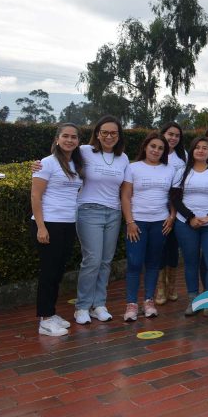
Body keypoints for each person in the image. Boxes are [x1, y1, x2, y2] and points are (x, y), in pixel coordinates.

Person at [74, 115, 129, 325]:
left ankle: (99, 304)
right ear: (97, 134)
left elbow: (126, 188)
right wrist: (38, 165)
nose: (109, 136)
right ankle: (82, 306)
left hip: (113, 212)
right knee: (92, 260)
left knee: (106, 261)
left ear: (119, 136)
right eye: (104, 132)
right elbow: (61, 158)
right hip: (89, 210)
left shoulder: (123, 158)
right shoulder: (85, 151)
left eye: (113, 133)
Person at [31, 124, 84, 336]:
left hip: (68, 223)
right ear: (57, 139)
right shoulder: (47, 163)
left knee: (58, 271)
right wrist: (41, 227)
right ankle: (44, 319)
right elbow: (35, 196)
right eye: (65, 136)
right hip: (48, 223)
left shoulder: (76, 163)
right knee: (49, 272)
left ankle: (51, 313)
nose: (69, 140)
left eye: (74, 137)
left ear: (78, 141)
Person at [120, 132, 176, 321]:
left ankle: (149, 301)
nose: (156, 150)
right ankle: (131, 304)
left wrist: (172, 216)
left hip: (160, 223)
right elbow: (125, 196)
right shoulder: (133, 168)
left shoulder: (169, 170)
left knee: (153, 263)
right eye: (153, 146)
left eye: (160, 148)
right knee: (135, 263)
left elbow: (173, 197)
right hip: (137, 223)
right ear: (145, 147)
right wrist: (130, 222)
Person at [171, 137, 208, 316]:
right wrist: (190, 218)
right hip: (186, 224)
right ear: (192, 150)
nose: (201, 150)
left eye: (205, 148)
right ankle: (193, 300)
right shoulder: (182, 171)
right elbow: (175, 198)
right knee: (191, 262)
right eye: (197, 147)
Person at [155, 121, 187, 306]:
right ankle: (160, 287)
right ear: (163, 134)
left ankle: (172, 286)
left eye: (177, 135)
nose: (173, 138)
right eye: (170, 134)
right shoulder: (156, 153)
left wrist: (175, 212)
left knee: (173, 248)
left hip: (177, 209)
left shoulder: (183, 157)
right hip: (158, 209)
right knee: (160, 247)